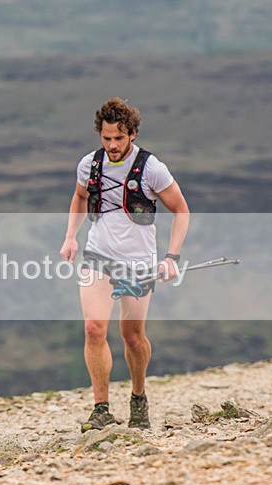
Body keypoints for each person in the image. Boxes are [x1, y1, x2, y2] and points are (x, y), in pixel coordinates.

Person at [59, 97, 190, 431]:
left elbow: (181, 210)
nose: (112, 145)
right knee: (93, 328)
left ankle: (138, 397)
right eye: (106, 138)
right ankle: (100, 407)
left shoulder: (152, 168)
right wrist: (71, 236)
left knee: (132, 336)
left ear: (132, 133)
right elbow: (79, 197)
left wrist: (172, 256)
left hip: (138, 262)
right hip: (97, 256)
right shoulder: (89, 164)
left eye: (119, 138)